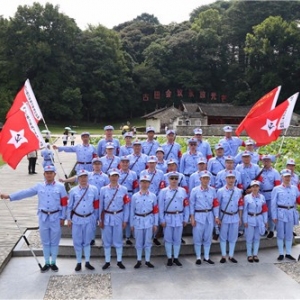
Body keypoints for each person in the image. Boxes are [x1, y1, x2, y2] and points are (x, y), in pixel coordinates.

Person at [1, 165, 68, 272]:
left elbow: (64, 203)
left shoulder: (60, 187)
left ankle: (53, 262)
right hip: (43, 217)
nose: (49, 175)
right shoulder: (39, 186)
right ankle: (46, 262)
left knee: (55, 241)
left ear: (54, 174)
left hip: (56, 217)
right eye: (47, 173)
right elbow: (26, 192)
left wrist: (63, 217)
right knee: (45, 241)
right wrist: (10, 196)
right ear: (44, 174)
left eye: (51, 173)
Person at [60, 157, 109, 246]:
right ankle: (91, 239)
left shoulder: (105, 176)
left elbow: (108, 188)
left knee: (96, 220)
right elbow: (75, 178)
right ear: (92, 165)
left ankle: (97, 238)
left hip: (99, 200)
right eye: (95, 164)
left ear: (101, 165)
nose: (97, 166)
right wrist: (65, 180)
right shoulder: (88, 175)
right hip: (87, 199)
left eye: (98, 164)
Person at [67, 169, 99, 271]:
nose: (83, 179)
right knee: (77, 241)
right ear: (78, 179)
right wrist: (69, 219)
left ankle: (88, 262)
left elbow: (96, 205)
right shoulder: (73, 191)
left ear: (88, 178)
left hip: (89, 218)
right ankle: (79, 262)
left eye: (85, 177)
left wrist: (96, 217)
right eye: (81, 177)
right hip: (77, 219)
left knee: (87, 241)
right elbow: (69, 206)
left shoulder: (94, 189)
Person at [99, 168, 130, 270]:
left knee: (118, 239)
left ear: (118, 177)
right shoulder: (103, 190)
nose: (114, 178)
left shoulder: (123, 189)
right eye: (112, 176)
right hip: (107, 217)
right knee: (106, 240)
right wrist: (100, 219)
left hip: (118, 216)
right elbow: (101, 206)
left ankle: (119, 261)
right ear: (109, 177)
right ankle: (107, 261)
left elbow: (126, 206)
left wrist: (125, 220)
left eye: (116, 176)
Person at [158, 171, 189, 267]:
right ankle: (169, 258)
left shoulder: (183, 191)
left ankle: (175, 257)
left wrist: (185, 218)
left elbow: (186, 205)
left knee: (177, 239)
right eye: (172, 178)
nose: (174, 180)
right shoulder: (163, 191)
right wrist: (162, 219)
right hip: (168, 217)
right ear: (168, 180)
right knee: (168, 239)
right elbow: (160, 207)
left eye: (176, 178)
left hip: (179, 217)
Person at [189, 171, 220, 265]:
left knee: (208, 236)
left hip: (209, 215)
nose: (205, 180)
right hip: (198, 215)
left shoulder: (213, 190)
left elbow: (215, 204)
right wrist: (192, 218)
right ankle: (198, 257)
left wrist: (216, 216)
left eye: (207, 178)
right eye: (204, 178)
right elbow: (192, 205)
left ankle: (206, 256)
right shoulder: (195, 190)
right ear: (200, 179)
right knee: (197, 237)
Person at [271, 169, 300, 261]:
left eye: (289, 176)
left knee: (289, 234)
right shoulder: (276, 189)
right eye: (285, 176)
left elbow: (297, 199)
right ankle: (280, 253)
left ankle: (288, 253)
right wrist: (274, 216)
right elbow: (273, 203)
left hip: (290, 212)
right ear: (282, 177)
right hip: (280, 212)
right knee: (280, 234)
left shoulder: (294, 188)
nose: (287, 178)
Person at [130, 175, 159, 268]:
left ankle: (147, 260)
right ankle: (139, 260)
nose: (144, 184)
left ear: (149, 184)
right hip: (138, 220)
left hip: (149, 220)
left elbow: (155, 211)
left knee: (148, 241)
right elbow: (132, 211)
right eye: (142, 182)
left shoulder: (153, 196)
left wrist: (155, 223)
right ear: (139, 183)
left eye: (146, 182)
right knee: (138, 241)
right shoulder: (135, 196)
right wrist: (131, 224)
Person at [217, 171, 243, 263]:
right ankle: (223, 255)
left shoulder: (239, 191)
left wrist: (240, 217)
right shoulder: (220, 191)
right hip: (224, 216)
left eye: (232, 178)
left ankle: (231, 255)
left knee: (233, 237)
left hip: (235, 216)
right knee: (223, 236)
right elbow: (218, 205)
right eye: (229, 178)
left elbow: (240, 205)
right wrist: (217, 217)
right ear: (225, 179)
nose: (231, 180)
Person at [243, 180, 268, 263]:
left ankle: (255, 254)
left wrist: (265, 220)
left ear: (259, 187)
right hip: (250, 218)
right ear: (251, 188)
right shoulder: (247, 197)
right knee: (249, 238)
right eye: (253, 186)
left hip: (259, 219)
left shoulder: (262, 197)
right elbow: (245, 210)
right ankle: (249, 255)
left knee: (257, 238)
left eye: (256, 186)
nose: (255, 188)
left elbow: (264, 210)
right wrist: (245, 220)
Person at [118, 156, 139, 245]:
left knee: (130, 215)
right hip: (119, 196)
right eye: (123, 162)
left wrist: (135, 197)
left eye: (126, 162)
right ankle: (119, 236)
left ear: (129, 163)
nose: (125, 164)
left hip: (130, 195)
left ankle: (128, 236)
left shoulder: (133, 174)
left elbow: (135, 186)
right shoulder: (116, 173)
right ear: (120, 163)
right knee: (120, 215)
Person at [259, 154, 281, 238]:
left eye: (268, 160)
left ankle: (271, 230)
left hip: (271, 194)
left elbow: (277, 185)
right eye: (264, 160)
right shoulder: (260, 171)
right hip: (261, 194)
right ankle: (263, 229)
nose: (266, 162)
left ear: (271, 161)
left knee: (271, 213)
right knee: (262, 212)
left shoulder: (275, 172)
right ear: (262, 161)